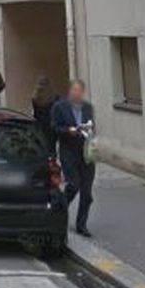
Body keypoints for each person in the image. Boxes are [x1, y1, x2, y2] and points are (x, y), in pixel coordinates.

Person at [50, 80, 96, 237]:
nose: (77, 93)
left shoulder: (88, 107)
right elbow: (54, 127)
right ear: (70, 91)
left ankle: (81, 225)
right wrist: (67, 131)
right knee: (73, 185)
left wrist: (89, 130)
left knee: (87, 193)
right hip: (69, 151)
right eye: (74, 90)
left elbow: (92, 126)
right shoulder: (60, 107)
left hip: (86, 152)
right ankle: (59, 210)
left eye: (79, 91)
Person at [31, 76, 57, 145]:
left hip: (43, 125)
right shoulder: (54, 98)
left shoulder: (35, 98)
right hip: (46, 124)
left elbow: (35, 115)